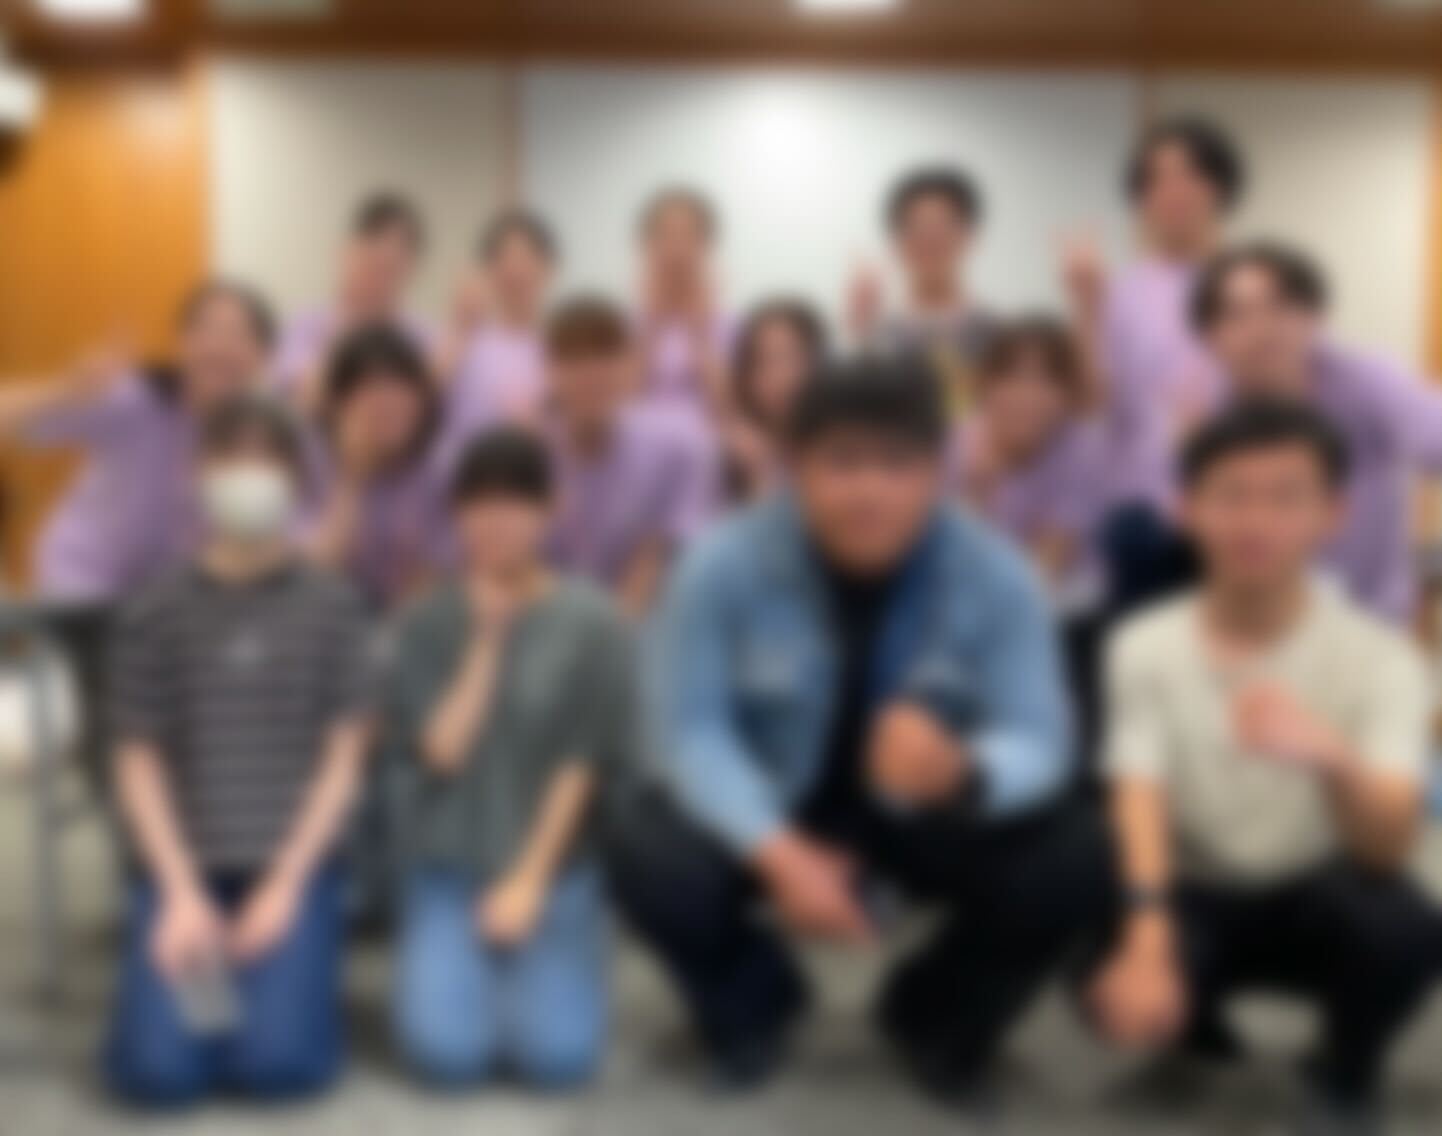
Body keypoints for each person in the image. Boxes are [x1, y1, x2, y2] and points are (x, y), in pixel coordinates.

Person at [608, 358, 1110, 1106]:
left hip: (926, 810)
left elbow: (1043, 738)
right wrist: (777, 851)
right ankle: (756, 1002)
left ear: (937, 471)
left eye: (898, 463)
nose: (870, 490)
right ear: (795, 467)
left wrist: (965, 771)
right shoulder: (719, 565)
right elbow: (690, 732)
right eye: (842, 461)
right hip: (776, 800)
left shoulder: (999, 574)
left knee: (1079, 851)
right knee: (639, 838)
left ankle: (935, 1017)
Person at [1089, 402, 1442, 1136]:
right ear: (1186, 510)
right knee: (1087, 915)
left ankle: (1344, 1069)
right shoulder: (1142, 645)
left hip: (1317, 888)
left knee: (1405, 925)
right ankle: (1194, 1036)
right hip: (1195, 885)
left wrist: (1333, 759)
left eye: (1286, 498)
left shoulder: (1384, 660)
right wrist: (1146, 940)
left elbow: (1387, 846)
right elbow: (1138, 791)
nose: (1256, 521)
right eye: (1231, 495)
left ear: (1333, 514)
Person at [103, 395, 375, 1107]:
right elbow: (137, 759)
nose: (249, 473)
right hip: (183, 870)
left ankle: (267, 994)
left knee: (277, 1070)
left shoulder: (336, 605)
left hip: (291, 868)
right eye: (231, 455)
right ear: (198, 473)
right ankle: (216, 995)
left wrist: (285, 885)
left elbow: (344, 759)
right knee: (160, 1078)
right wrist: (179, 891)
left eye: (269, 458)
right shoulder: (153, 607)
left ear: (298, 480)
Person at [386, 427, 640, 1090]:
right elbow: (440, 753)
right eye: (478, 503)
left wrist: (529, 880)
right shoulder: (425, 620)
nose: (495, 520)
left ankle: (532, 968)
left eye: (516, 501)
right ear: (457, 514)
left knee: (558, 1061)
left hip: (555, 866)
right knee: (446, 1059)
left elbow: (584, 760)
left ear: (550, 509)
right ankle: (480, 978)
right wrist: (488, 642)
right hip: (448, 861)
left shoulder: (594, 620)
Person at [1192, 241, 1442, 625]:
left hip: (1369, 616)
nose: (1261, 330)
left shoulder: (1368, 381)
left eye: (1279, 307)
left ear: (1314, 317)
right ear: (1210, 337)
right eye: (1237, 314)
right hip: (1253, 621)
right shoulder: (1205, 411)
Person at [0, 280, 275, 600]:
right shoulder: (139, 399)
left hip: (171, 604)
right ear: (183, 341)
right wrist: (68, 389)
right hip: (84, 585)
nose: (221, 347)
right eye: (209, 330)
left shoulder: (262, 435)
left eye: (239, 335)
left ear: (262, 356)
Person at [1069, 116, 1245, 511]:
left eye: (1189, 175)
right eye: (1156, 181)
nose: (1173, 192)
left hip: (1237, 502)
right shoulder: (1119, 292)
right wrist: (1086, 309)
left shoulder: (1255, 286)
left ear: (1221, 187)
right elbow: (1088, 405)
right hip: (1138, 501)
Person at [542, 296, 719, 616]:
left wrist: (610, 636)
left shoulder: (677, 447)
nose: (589, 373)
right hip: (552, 620)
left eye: (604, 356)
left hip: (653, 621)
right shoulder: (532, 457)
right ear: (549, 370)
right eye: (573, 358)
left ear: (631, 365)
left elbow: (659, 555)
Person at [954, 315, 1108, 608]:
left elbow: (1047, 566)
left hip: (1066, 601)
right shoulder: (958, 444)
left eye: (1045, 381)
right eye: (1011, 377)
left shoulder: (1082, 449)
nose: (1027, 395)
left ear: (1068, 394)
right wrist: (978, 490)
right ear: (985, 383)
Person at [306, 324, 445, 610]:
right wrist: (352, 477)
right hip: (322, 619)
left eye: (401, 388)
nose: (388, 403)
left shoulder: (437, 472)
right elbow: (311, 576)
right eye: (370, 388)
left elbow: (433, 585)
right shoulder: (311, 462)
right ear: (337, 403)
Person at [847, 166, 998, 417]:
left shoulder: (995, 332)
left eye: (942, 227)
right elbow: (859, 411)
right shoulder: (879, 333)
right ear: (897, 241)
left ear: (969, 236)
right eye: (916, 228)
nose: (929, 239)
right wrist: (862, 332)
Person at [274, 191, 431, 412]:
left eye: (392, 269)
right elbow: (302, 400)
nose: (381, 280)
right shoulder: (306, 325)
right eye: (374, 263)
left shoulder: (420, 337)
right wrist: (352, 325)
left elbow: (421, 409)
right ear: (348, 252)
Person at [437, 209, 558, 469]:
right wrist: (459, 329)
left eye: (527, 258)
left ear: (548, 267)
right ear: (488, 269)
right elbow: (425, 404)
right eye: (504, 259)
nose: (516, 271)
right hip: (467, 479)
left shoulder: (562, 346)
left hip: (535, 479)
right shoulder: (462, 339)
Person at [635, 186, 734, 409]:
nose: (676, 249)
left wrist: (699, 329)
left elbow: (727, 407)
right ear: (648, 245)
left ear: (706, 246)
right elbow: (616, 404)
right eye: (665, 235)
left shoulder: (730, 326)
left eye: (689, 235)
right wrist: (652, 324)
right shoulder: (624, 326)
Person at [722, 298, 828, 502]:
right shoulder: (730, 451)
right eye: (763, 361)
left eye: (789, 358)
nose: (778, 376)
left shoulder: (836, 444)